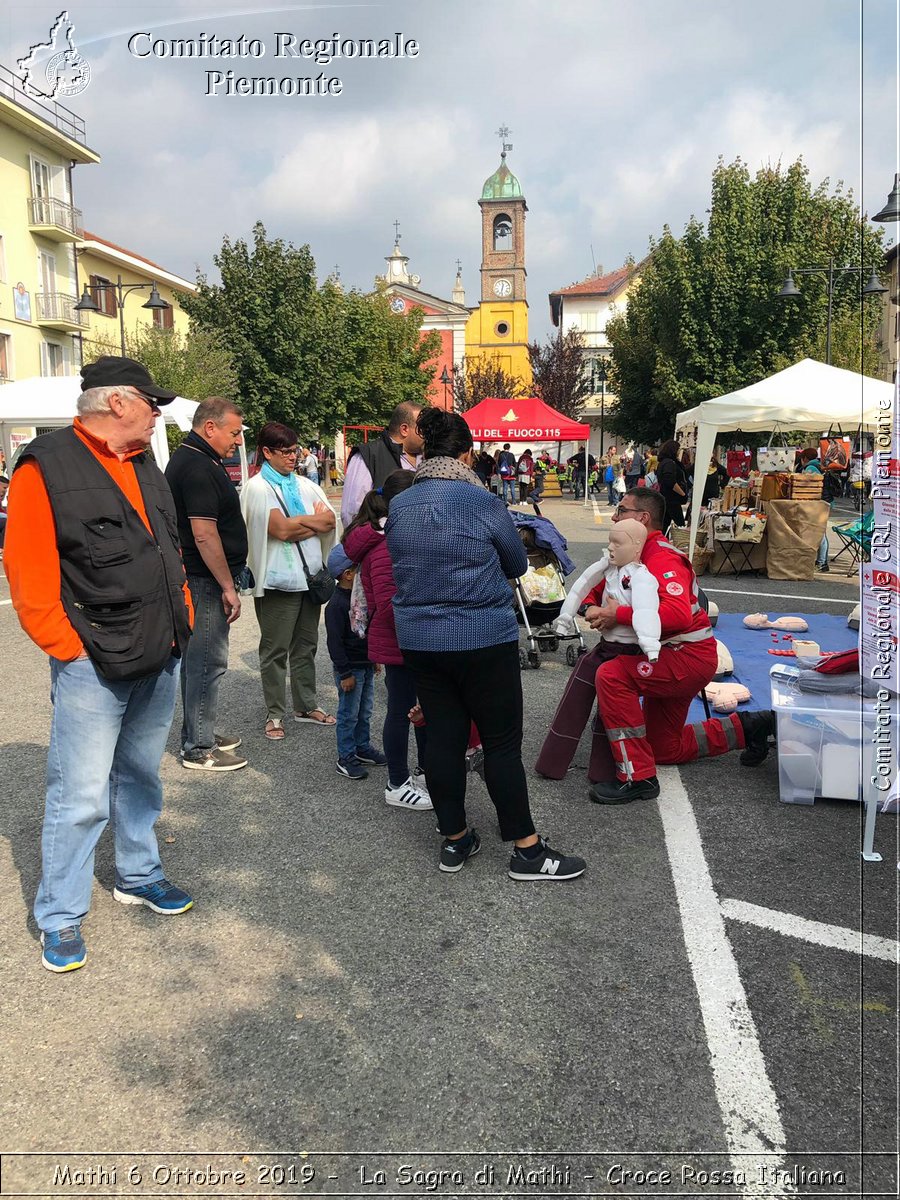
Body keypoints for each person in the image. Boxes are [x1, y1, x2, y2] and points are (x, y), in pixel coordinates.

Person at [3, 355, 195, 973]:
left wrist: (182, 615)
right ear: (117, 402)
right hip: (92, 658)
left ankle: (138, 875)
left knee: (141, 778)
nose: (158, 412)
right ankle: (59, 915)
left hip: (160, 650)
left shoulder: (146, 462)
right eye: (151, 401)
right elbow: (27, 571)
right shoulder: (46, 464)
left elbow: (165, 546)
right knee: (80, 794)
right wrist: (67, 647)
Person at [386, 407, 586, 880]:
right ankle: (527, 850)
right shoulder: (483, 504)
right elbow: (517, 564)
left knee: (442, 738)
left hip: (420, 637)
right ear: (468, 454)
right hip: (481, 636)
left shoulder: (400, 504)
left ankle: (455, 839)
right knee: (500, 744)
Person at [534, 488, 776, 801]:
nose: (615, 516)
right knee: (664, 748)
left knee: (611, 675)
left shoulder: (661, 557)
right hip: (672, 655)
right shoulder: (627, 550)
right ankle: (750, 727)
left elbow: (676, 616)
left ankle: (639, 778)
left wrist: (616, 615)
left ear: (642, 518)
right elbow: (599, 584)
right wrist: (591, 605)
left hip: (684, 656)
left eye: (621, 509)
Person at [165, 397, 248, 772]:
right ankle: (198, 747)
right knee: (205, 661)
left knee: (204, 660)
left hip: (202, 576)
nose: (238, 441)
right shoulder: (197, 466)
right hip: (203, 579)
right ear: (209, 427)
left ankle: (202, 733)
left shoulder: (198, 459)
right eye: (234, 432)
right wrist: (228, 586)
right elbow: (203, 533)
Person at [241, 422, 338, 739]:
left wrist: (297, 524)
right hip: (277, 581)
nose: (292, 457)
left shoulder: (306, 485)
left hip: (309, 577)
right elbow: (280, 531)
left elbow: (329, 520)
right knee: (274, 649)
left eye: (295, 450)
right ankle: (274, 713)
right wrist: (307, 524)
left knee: (307, 646)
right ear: (266, 452)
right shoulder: (257, 488)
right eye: (285, 452)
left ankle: (306, 704)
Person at [343, 472, 432, 811]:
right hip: (403, 641)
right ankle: (397, 782)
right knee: (400, 711)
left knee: (423, 708)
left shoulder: (398, 536)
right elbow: (391, 602)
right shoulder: (385, 545)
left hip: (413, 639)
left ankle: (424, 771)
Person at [324, 545, 386, 781]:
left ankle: (362, 747)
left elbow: (367, 631)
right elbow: (335, 644)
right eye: (360, 568)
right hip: (350, 668)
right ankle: (346, 756)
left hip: (366, 664)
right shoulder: (337, 605)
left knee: (365, 711)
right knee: (348, 713)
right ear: (348, 574)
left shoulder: (360, 598)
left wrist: (375, 658)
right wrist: (345, 673)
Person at [340, 402, 423, 525]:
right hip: (381, 541)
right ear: (404, 429)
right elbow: (351, 513)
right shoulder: (368, 455)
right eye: (422, 428)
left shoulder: (428, 456)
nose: (427, 433)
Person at [797, 447, 832, 572]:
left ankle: (822, 562)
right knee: (820, 531)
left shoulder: (810, 468)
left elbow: (806, 488)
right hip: (825, 501)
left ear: (805, 458)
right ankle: (821, 561)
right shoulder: (819, 465)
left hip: (818, 503)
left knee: (820, 532)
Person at [656, 439, 688, 527]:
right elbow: (670, 481)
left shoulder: (664, 462)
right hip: (672, 498)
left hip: (667, 497)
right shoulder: (669, 463)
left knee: (664, 524)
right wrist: (682, 494)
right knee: (680, 525)